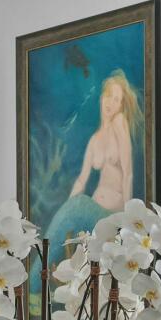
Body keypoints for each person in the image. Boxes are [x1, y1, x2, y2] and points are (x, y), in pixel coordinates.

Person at [46, 69, 141, 244]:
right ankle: (42, 265)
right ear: (101, 97)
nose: (110, 102)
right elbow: (82, 181)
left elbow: (128, 174)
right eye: (108, 95)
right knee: (70, 213)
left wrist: (127, 221)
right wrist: (66, 208)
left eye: (116, 100)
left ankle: (40, 262)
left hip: (111, 215)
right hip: (93, 212)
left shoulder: (120, 122)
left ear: (121, 106)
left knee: (78, 206)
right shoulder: (94, 140)